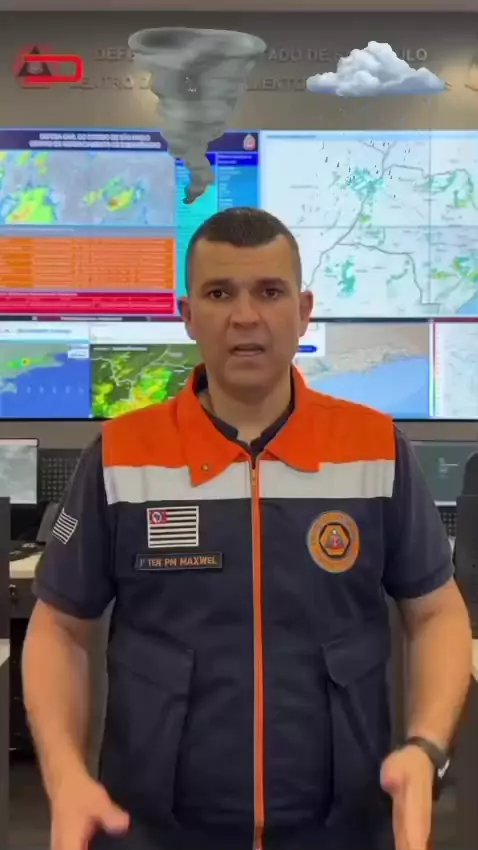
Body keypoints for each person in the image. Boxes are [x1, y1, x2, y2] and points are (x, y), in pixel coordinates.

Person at [22, 207, 473, 850]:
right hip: (153, 832)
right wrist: (65, 776)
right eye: (218, 293)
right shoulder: (123, 456)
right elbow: (58, 628)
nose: (244, 316)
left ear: (304, 310)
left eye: (269, 291)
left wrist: (425, 749)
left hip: (343, 830)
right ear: (187, 315)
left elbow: (436, 613)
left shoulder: (374, 449)